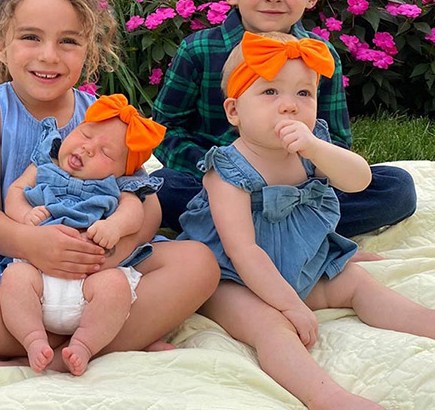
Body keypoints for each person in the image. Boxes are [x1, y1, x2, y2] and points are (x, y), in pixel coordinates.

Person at [0, 0, 219, 373]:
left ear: (89, 49)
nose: (49, 56)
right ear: (0, 44)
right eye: (31, 37)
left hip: (94, 260)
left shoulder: (102, 115)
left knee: (199, 263)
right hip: (6, 252)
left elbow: (145, 204)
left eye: (68, 41)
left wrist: (106, 254)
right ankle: (101, 337)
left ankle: (64, 348)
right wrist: (32, 245)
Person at [179, 30, 435, 410]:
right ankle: (328, 397)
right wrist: (291, 305)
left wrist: (316, 148)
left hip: (299, 263)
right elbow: (243, 251)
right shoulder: (227, 170)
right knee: (271, 325)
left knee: (359, 283)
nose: (289, 106)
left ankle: (427, 322)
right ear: (234, 111)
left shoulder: (309, 146)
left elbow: (359, 180)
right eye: (270, 92)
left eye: (303, 93)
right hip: (232, 276)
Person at [151, 0, 416, 237]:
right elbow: (165, 129)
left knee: (397, 188)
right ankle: (270, 227)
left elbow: (336, 137)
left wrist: (308, 160)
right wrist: (211, 169)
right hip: (213, 186)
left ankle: (248, 228)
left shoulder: (320, 55)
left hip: (297, 188)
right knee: (162, 187)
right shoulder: (198, 49)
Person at [0, 93, 166, 376]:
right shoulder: (46, 162)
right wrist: (25, 215)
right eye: (85, 134)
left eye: (106, 153)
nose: (87, 148)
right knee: (14, 279)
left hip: (90, 284)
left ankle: (83, 346)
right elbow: (15, 191)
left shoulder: (118, 185)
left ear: (122, 170)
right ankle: (33, 340)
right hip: (40, 274)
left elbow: (134, 212)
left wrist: (114, 227)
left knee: (115, 287)